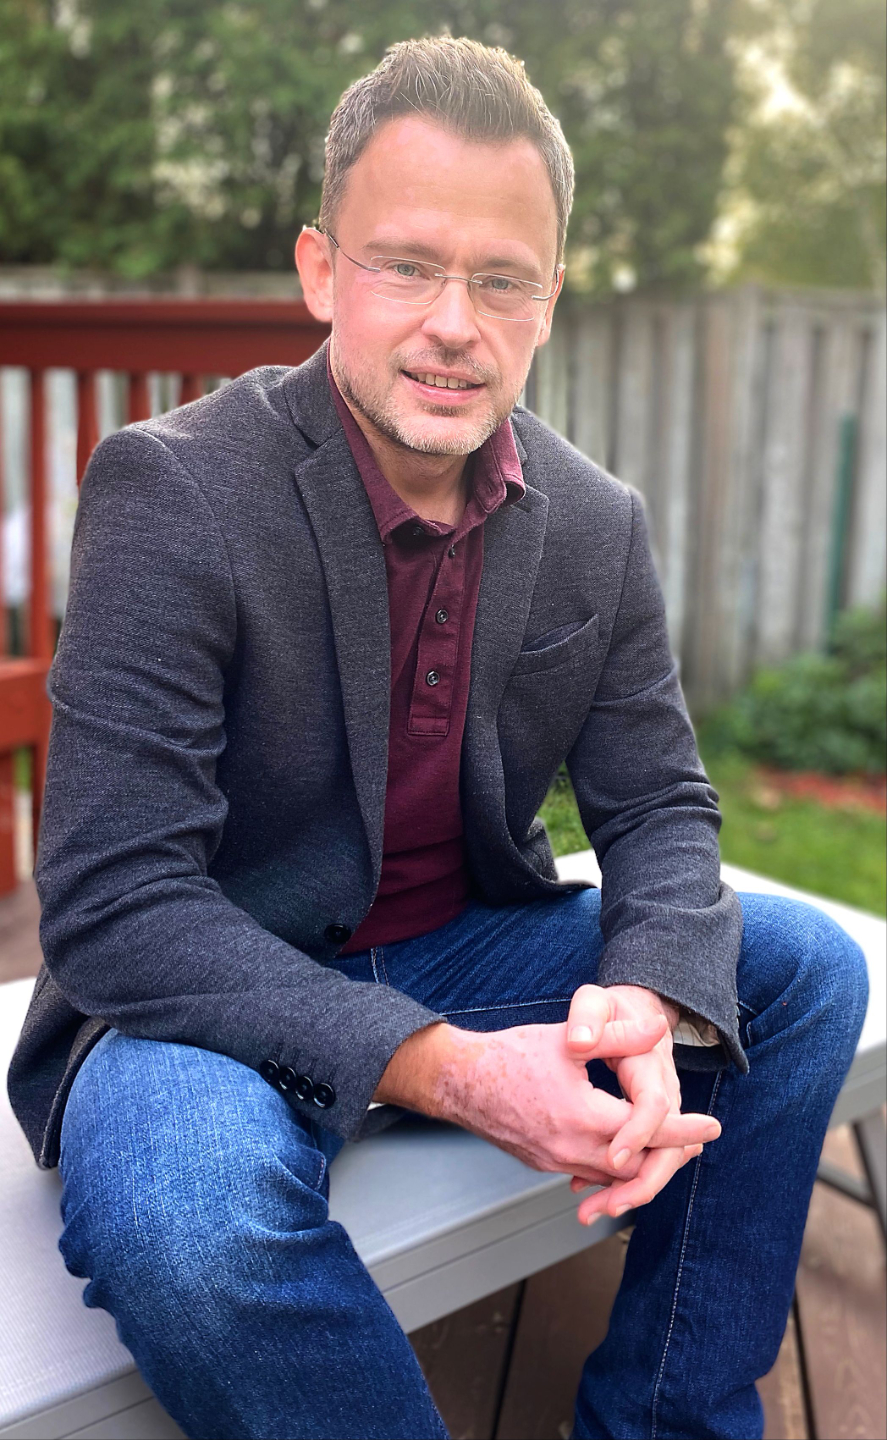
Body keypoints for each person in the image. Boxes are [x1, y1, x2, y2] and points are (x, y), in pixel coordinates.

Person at [8, 35, 868, 1440]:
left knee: (801, 970)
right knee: (190, 1217)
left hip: (467, 948)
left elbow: (660, 804)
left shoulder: (596, 524)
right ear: (320, 270)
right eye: (406, 264)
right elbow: (115, 903)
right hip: (205, 999)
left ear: (550, 301)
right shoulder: (174, 492)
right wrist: (453, 1070)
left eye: (502, 279)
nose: (454, 323)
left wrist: (648, 990)